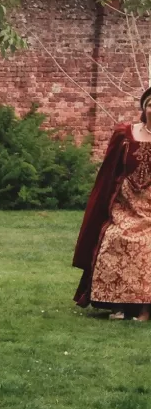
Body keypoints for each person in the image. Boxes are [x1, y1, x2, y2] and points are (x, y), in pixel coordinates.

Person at [74, 86, 151, 318]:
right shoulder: (125, 133)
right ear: (144, 108)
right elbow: (109, 172)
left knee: (146, 243)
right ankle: (115, 304)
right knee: (114, 238)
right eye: (149, 104)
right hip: (125, 202)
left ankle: (145, 309)